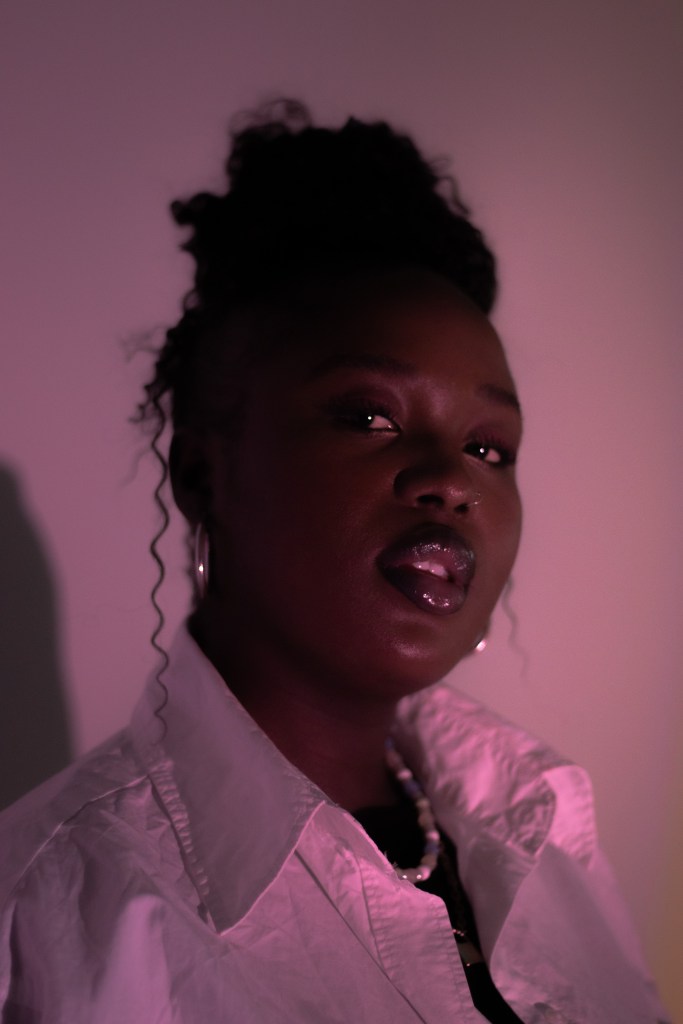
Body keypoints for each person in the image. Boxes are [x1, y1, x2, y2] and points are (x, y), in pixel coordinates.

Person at [0, 100, 669, 1024]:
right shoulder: (50, 910)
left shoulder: (541, 823)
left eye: (489, 448)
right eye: (369, 417)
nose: (450, 481)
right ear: (202, 475)